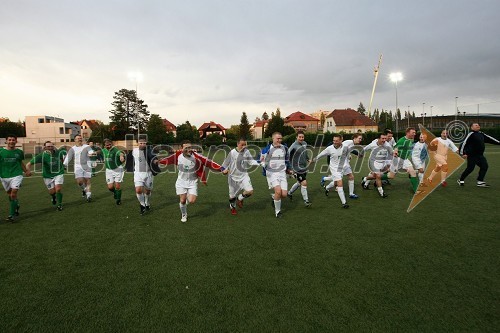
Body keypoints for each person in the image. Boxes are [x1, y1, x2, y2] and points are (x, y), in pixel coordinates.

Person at [159, 140, 222, 222]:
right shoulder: (177, 156)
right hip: (181, 181)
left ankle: (185, 202)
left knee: (192, 200)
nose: (189, 149)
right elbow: (168, 160)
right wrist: (159, 161)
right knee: (182, 200)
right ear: (181, 148)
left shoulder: (196, 156)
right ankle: (184, 214)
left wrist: (221, 168)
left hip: (193, 181)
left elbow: (209, 162)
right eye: (186, 148)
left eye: (190, 147)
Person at [221, 138, 260, 215]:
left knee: (250, 191)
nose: (244, 146)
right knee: (232, 197)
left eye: (245, 144)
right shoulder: (232, 153)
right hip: (232, 177)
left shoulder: (246, 151)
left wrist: (260, 163)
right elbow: (224, 165)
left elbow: (251, 161)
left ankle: (240, 198)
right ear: (237, 144)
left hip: (244, 176)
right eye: (242, 145)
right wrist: (223, 171)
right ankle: (233, 208)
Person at [25, 141, 66, 211]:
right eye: (48, 146)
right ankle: (53, 197)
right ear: (45, 148)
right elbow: (28, 164)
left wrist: (63, 164)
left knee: (58, 189)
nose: (50, 148)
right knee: (52, 192)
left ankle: (59, 205)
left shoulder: (58, 152)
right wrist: (27, 171)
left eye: (51, 146)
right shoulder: (41, 156)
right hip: (47, 176)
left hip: (59, 173)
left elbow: (63, 157)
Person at [313, 134, 350, 208]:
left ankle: (327, 187)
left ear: (341, 140)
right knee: (339, 182)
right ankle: (344, 203)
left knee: (335, 182)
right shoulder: (329, 148)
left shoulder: (345, 147)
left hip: (341, 168)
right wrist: (313, 160)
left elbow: (347, 154)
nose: (334, 142)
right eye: (333, 140)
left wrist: (349, 157)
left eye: (336, 141)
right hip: (334, 168)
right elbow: (321, 154)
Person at [458, 123, 500, 187]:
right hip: (472, 155)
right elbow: (463, 143)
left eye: (478, 125)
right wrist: (463, 153)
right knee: (470, 168)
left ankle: (480, 181)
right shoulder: (471, 134)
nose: (478, 126)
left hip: (480, 155)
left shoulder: (481, 134)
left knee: (484, 166)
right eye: (476, 125)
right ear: (472, 128)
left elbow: (491, 139)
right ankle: (461, 179)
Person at [322, 133, 363, 199]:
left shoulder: (351, 144)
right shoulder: (348, 143)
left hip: (345, 164)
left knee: (351, 176)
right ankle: (327, 186)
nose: (360, 140)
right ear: (355, 138)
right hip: (339, 165)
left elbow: (349, 150)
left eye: (361, 139)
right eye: (359, 138)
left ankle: (351, 194)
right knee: (336, 182)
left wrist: (356, 154)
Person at [0, 135, 31, 221]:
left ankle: (11, 215)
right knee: (10, 194)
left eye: (13, 140)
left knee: (13, 193)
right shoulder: (1, 151)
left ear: (16, 141)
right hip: (4, 176)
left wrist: (26, 171)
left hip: (17, 175)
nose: (11, 141)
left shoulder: (19, 152)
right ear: (6, 141)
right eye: (9, 140)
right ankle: (16, 205)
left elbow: (20, 162)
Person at [126, 137, 160, 215]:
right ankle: (142, 204)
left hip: (148, 174)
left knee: (147, 191)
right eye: (141, 143)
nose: (142, 144)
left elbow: (153, 156)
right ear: (137, 143)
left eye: (144, 143)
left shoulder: (149, 150)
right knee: (138, 190)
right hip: (138, 173)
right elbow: (128, 157)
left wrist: (155, 160)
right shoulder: (134, 151)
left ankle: (147, 202)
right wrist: (122, 155)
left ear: (146, 143)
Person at [261, 132, 291, 218]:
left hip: (282, 173)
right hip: (272, 173)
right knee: (278, 191)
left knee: (284, 194)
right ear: (273, 139)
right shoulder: (266, 149)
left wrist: (289, 169)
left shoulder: (284, 148)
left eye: (281, 138)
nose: (279, 140)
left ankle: (274, 197)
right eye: (278, 138)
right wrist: (265, 166)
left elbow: (287, 159)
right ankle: (278, 212)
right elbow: (261, 160)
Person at [360, 132, 392, 198]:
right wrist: (360, 154)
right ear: (378, 139)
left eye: (385, 138)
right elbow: (364, 149)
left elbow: (392, 152)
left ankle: (365, 180)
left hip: (383, 162)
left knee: (378, 174)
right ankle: (382, 192)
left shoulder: (387, 145)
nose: (384, 140)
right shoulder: (373, 144)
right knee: (378, 176)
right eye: (382, 138)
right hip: (373, 162)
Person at [63, 135, 94, 202]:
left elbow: (91, 152)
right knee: (79, 182)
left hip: (87, 165)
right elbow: (69, 157)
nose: (80, 139)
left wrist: (91, 153)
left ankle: (89, 195)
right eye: (78, 138)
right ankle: (84, 189)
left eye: (80, 138)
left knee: (87, 180)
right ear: (75, 140)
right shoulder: (73, 149)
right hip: (77, 166)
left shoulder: (86, 146)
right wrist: (64, 164)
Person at [287, 131, 312, 207]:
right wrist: (291, 168)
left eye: (302, 137)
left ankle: (289, 193)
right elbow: (287, 156)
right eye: (299, 137)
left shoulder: (304, 143)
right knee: (304, 183)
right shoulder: (293, 146)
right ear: (296, 137)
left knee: (299, 182)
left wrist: (308, 159)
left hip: (304, 166)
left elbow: (305, 152)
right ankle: (306, 201)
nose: (301, 138)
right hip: (297, 167)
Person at [392, 127, 419, 193]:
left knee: (413, 172)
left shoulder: (411, 139)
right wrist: (395, 152)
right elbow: (396, 148)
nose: (414, 134)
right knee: (390, 175)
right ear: (407, 133)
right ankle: (377, 178)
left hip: (405, 160)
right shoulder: (402, 140)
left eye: (415, 132)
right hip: (398, 159)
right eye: (413, 132)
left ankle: (416, 191)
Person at [102, 139, 126, 205]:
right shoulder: (103, 151)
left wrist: (121, 156)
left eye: (110, 144)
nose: (109, 146)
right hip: (109, 170)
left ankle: (118, 199)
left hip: (118, 169)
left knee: (117, 186)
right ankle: (115, 192)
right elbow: (99, 153)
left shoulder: (115, 150)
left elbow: (120, 153)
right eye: (107, 145)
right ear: (104, 145)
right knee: (110, 187)